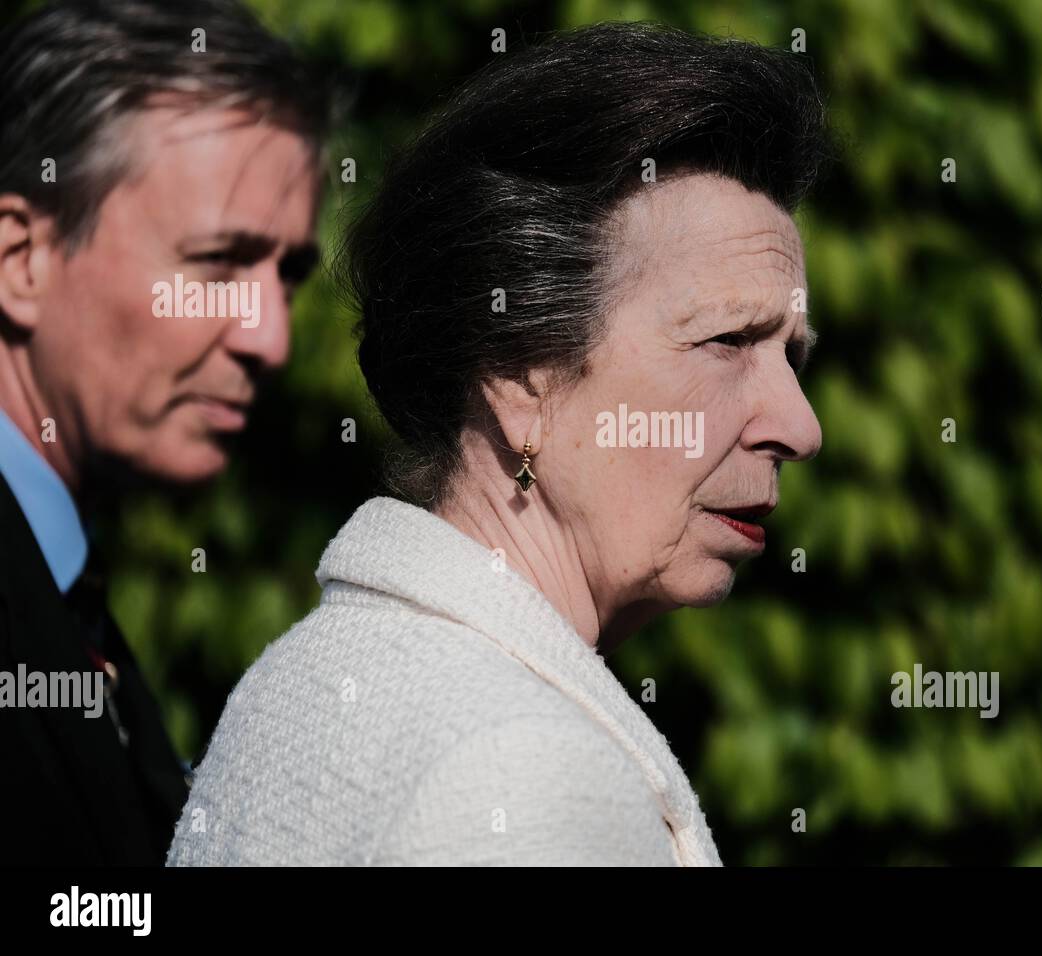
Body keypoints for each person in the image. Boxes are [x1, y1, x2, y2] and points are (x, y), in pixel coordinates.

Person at [167, 20, 832, 866]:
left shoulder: (297, 683)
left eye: (793, 355)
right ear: (523, 375)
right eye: (729, 341)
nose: (802, 426)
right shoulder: (522, 774)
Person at [0, 0, 326, 865]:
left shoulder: (66, 595)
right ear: (19, 261)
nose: (271, 336)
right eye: (218, 261)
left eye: (286, 274)